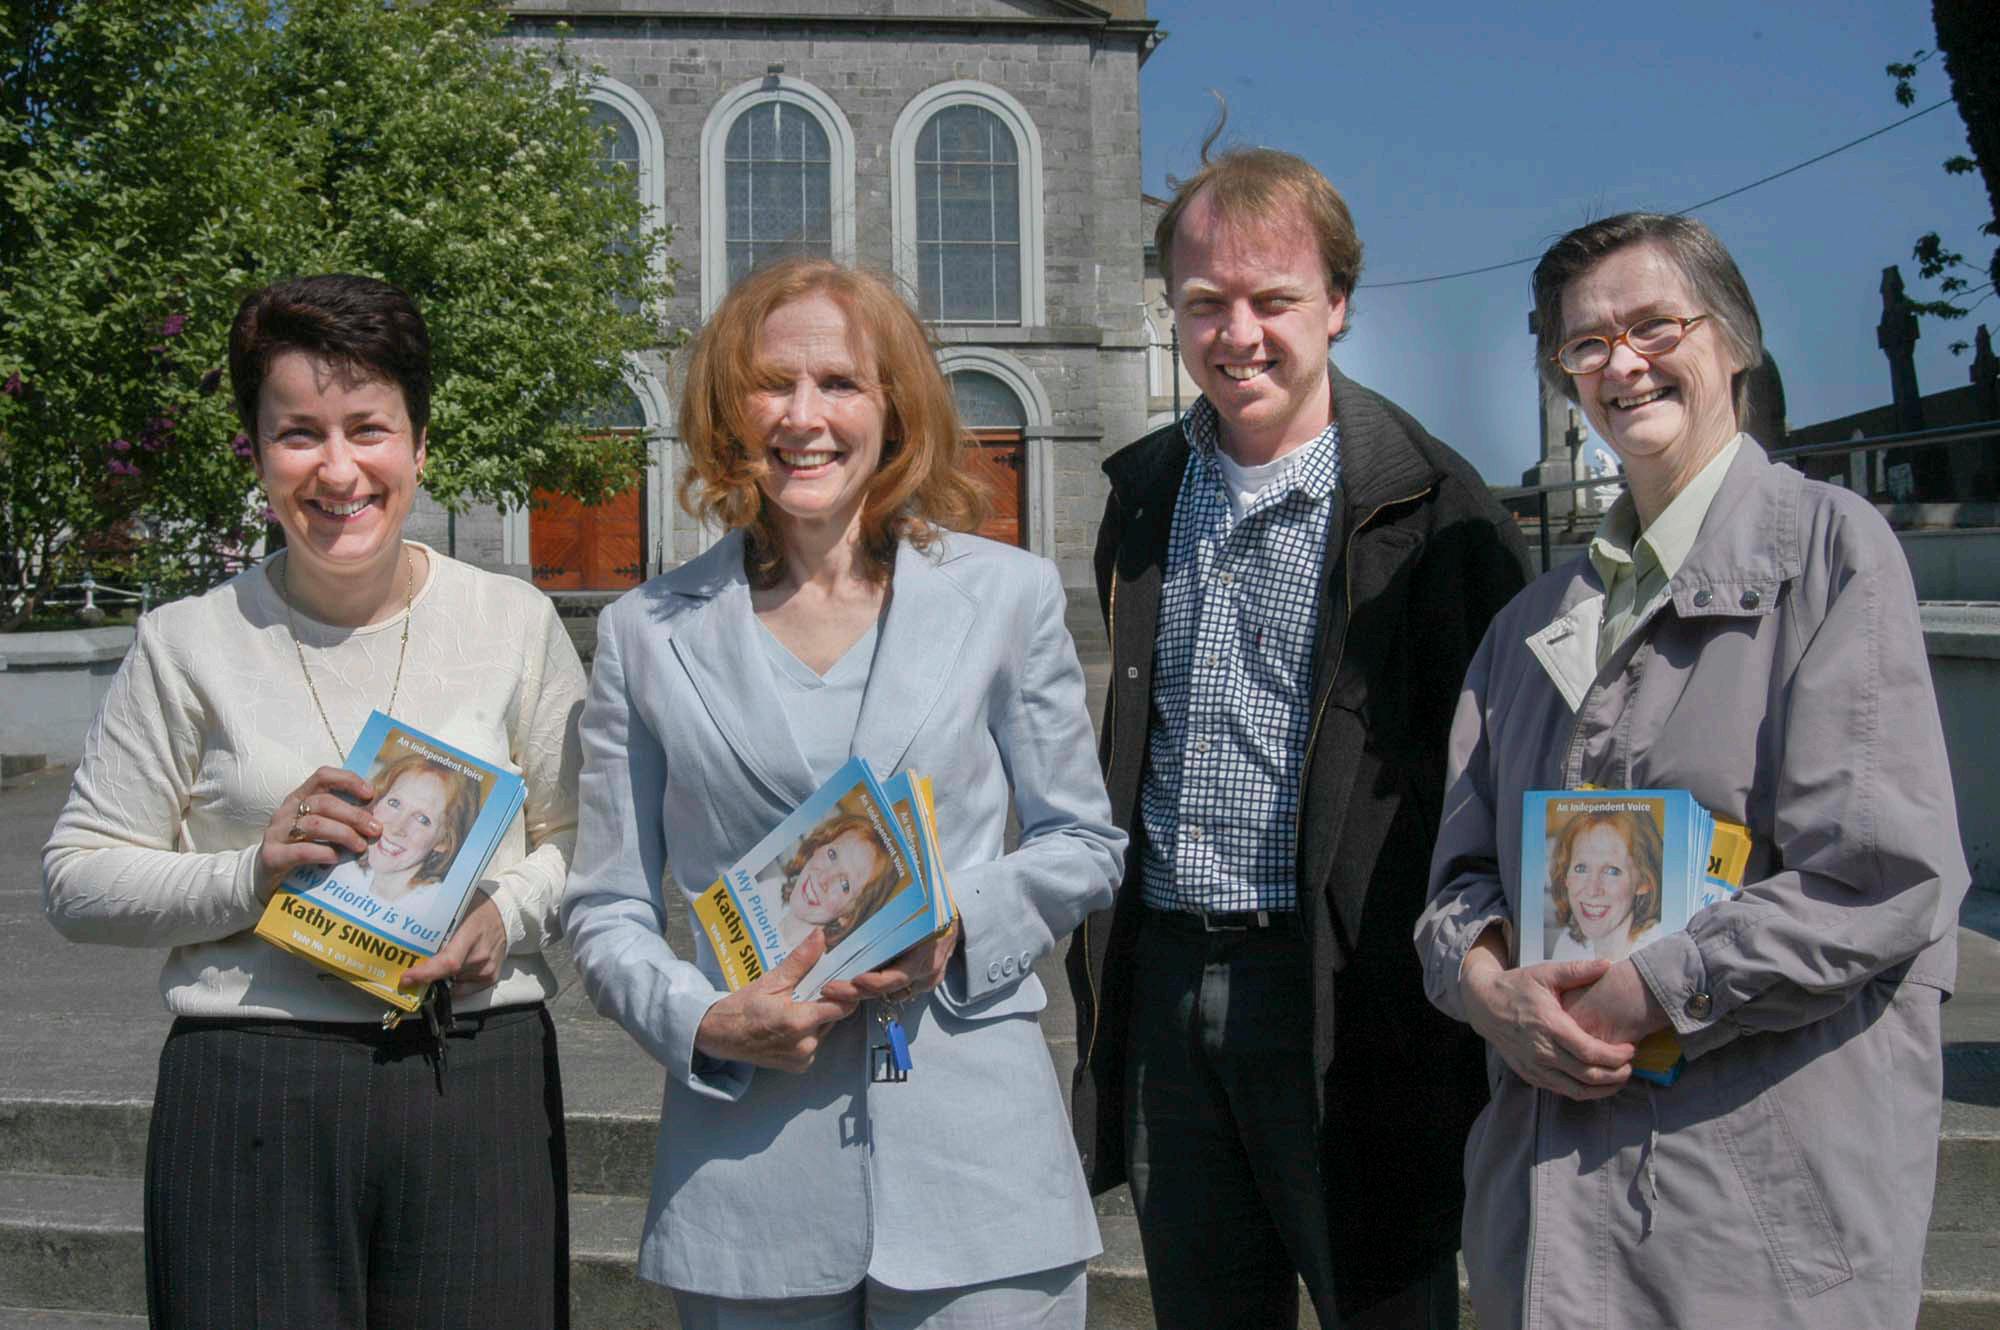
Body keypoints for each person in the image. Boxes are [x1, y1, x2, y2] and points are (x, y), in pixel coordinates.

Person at [1416, 212, 1967, 1329]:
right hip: (1543, 1212)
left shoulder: (1830, 556)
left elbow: (1875, 876)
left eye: (1653, 326)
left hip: (1746, 1228)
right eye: (1585, 344)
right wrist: (1486, 988)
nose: (1621, 364)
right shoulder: (1526, 626)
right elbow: (1459, 883)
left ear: (1733, 340)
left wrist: (1649, 992)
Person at [562, 256, 1124, 1328]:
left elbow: (1081, 843)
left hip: (979, 1165)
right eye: (771, 384)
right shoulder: (645, 634)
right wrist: (705, 1018)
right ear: (727, 410)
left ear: (894, 407)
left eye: (839, 383)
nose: (803, 416)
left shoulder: (1005, 595)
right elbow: (605, 906)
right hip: (748, 1167)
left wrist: (958, 922)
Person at [43, 274, 586, 1329]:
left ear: (419, 445)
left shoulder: (514, 623)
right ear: (256, 454)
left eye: (368, 429)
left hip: (472, 1069)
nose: (339, 470)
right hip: (251, 1086)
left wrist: (503, 915)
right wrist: (251, 873)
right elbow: (77, 879)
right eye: (298, 434)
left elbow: (584, 841)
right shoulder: (186, 643)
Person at [1064, 145, 1531, 1330]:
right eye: (1203, 302)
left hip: (1347, 998)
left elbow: (1500, 779)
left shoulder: (1437, 512)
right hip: (1168, 980)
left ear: (1337, 303)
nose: (1238, 335)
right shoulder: (1143, 493)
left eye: (1271, 299)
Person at [312, 751, 482, 935]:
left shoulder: (436, 910)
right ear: (376, 802)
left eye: (423, 819)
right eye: (394, 803)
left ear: (444, 841)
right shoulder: (342, 870)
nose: (397, 827)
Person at [771, 808, 901, 952]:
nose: (824, 878)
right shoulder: (772, 888)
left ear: (849, 916)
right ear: (817, 847)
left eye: (845, 884)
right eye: (832, 855)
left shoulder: (813, 963)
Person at [1544, 809, 1664, 964]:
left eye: (1612, 871)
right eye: (1581, 868)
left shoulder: (1659, 950)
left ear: (1644, 882)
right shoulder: (1568, 944)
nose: (1592, 890)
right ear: (1565, 876)